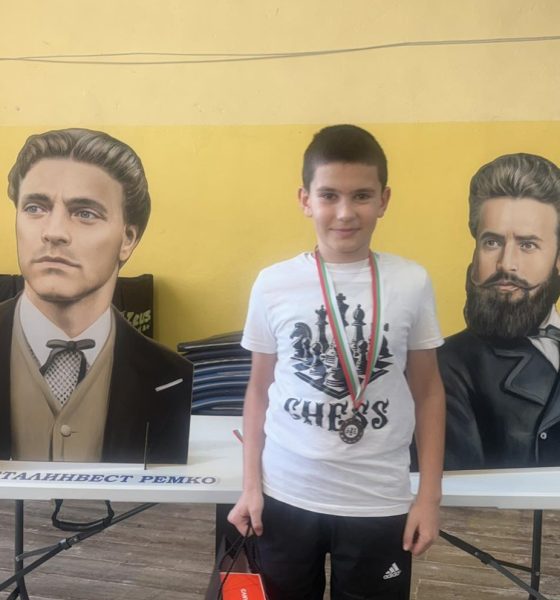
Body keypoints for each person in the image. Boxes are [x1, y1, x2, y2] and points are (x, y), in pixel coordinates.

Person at [228, 125, 445, 599]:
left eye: (361, 196)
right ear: (305, 200)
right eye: (329, 195)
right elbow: (259, 390)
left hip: (378, 499)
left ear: (384, 200)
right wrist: (250, 487)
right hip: (285, 495)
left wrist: (428, 498)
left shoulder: (411, 282)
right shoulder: (273, 284)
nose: (345, 213)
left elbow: (429, 392)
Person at [0, 128, 193, 464]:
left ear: (127, 239)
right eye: (35, 207)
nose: (53, 232)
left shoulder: (169, 376)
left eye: (85, 213)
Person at [439, 153, 560, 470]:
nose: (506, 264)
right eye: (492, 242)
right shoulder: (446, 365)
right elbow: (463, 493)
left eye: (527, 245)